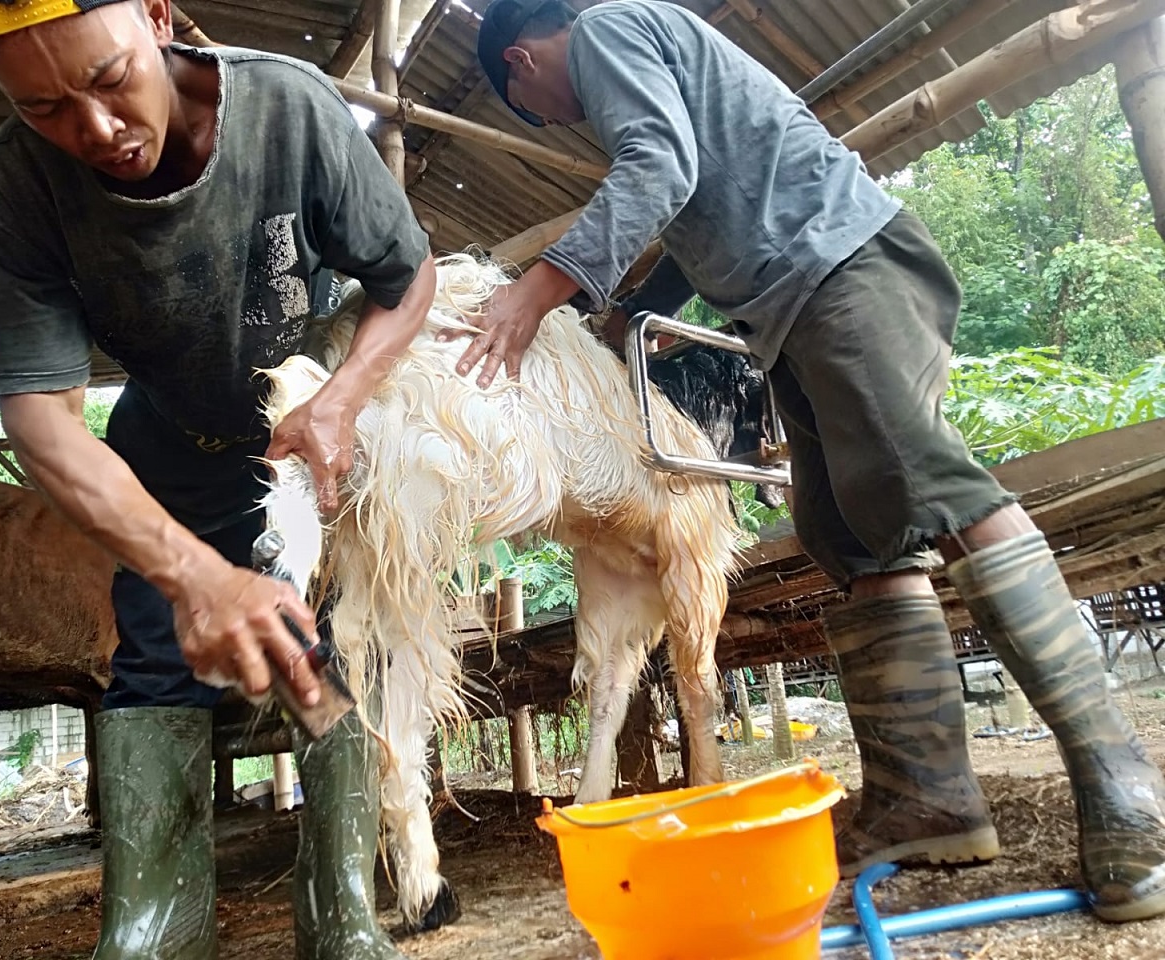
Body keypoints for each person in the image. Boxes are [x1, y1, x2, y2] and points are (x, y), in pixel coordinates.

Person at [466, 0, 1165, 921]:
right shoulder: (650, 55)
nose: (563, 120)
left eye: (541, 111)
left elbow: (659, 168)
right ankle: (929, 800)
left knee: (927, 480)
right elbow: (693, 190)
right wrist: (638, 309)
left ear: (522, 61)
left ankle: (1124, 788)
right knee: (846, 526)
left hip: (844, 266)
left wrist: (536, 291)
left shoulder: (607, 30)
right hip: (791, 308)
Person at [0, 0, 436, 956]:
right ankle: (154, 927)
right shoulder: (14, 191)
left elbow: (406, 279)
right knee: (156, 663)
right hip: (167, 455)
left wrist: (344, 399)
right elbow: (41, 419)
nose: (96, 130)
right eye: (43, 109)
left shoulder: (289, 109)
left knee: (335, 654)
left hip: (316, 443)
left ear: (158, 17)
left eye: (110, 78)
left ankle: (345, 918)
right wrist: (195, 576)